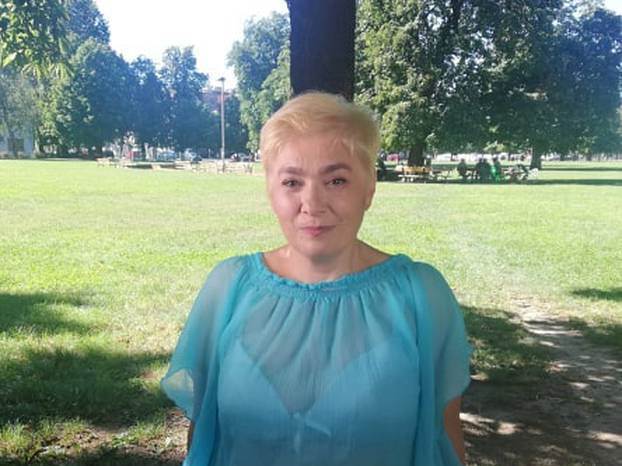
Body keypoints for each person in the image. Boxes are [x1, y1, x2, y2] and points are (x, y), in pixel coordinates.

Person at [161, 92, 472, 466]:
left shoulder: (420, 295)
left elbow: (445, 437)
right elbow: (202, 437)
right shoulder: (228, 289)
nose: (312, 204)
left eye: (336, 180)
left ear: (369, 188)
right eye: (292, 182)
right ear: (270, 191)